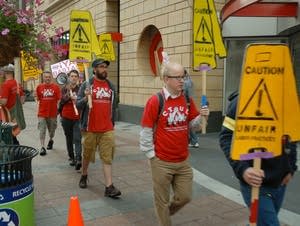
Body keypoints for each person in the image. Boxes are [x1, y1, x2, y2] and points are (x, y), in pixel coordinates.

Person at [140, 62, 209, 226]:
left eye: (183, 76)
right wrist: (151, 155)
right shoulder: (156, 101)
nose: (182, 81)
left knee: (185, 197)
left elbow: (194, 125)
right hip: (161, 161)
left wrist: (203, 117)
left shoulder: (186, 99)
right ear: (166, 79)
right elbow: (145, 130)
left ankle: (166, 213)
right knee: (161, 202)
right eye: (177, 77)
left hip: (182, 160)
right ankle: (164, 219)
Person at [219, 91, 298, 226]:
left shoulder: (286, 98)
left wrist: (290, 167)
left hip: (280, 182)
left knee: (261, 221)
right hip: (255, 183)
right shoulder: (240, 102)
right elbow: (226, 138)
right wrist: (243, 169)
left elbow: (292, 136)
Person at [76, 58, 121, 198]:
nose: (104, 69)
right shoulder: (86, 85)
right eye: (101, 67)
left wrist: (112, 122)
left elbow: (115, 104)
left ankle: (109, 186)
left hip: (107, 129)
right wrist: (85, 98)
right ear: (94, 70)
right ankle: (84, 174)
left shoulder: (111, 86)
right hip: (90, 128)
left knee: (107, 157)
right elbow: (78, 105)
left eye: (105, 67)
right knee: (87, 155)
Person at [59, 70, 82, 170]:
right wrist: (69, 95)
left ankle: (78, 158)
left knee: (77, 138)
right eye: (72, 76)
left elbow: (82, 101)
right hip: (66, 117)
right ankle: (71, 157)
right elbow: (62, 101)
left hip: (77, 118)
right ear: (69, 77)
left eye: (75, 76)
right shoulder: (64, 88)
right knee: (69, 138)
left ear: (78, 78)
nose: (73, 78)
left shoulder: (80, 88)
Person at [35, 71, 61, 156]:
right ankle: (42, 147)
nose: (47, 78)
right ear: (43, 78)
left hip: (53, 113)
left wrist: (58, 109)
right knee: (42, 130)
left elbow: (58, 100)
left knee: (52, 130)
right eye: (46, 77)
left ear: (51, 78)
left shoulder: (56, 87)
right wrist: (37, 109)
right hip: (42, 113)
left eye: (49, 77)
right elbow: (38, 99)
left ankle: (51, 139)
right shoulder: (39, 87)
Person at [0, 64, 25, 145]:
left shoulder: (6, 85)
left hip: (6, 116)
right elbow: (22, 100)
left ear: (6, 73)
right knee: (11, 135)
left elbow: (4, 102)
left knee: (7, 136)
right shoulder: (17, 83)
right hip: (14, 115)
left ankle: (15, 153)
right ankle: (17, 150)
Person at [183, 70, 199, 148]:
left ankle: (193, 141)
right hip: (190, 103)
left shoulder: (185, 82)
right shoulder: (190, 81)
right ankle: (193, 141)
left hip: (187, 104)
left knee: (188, 122)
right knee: (190, 122)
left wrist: (187, 104)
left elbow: (186, 94)